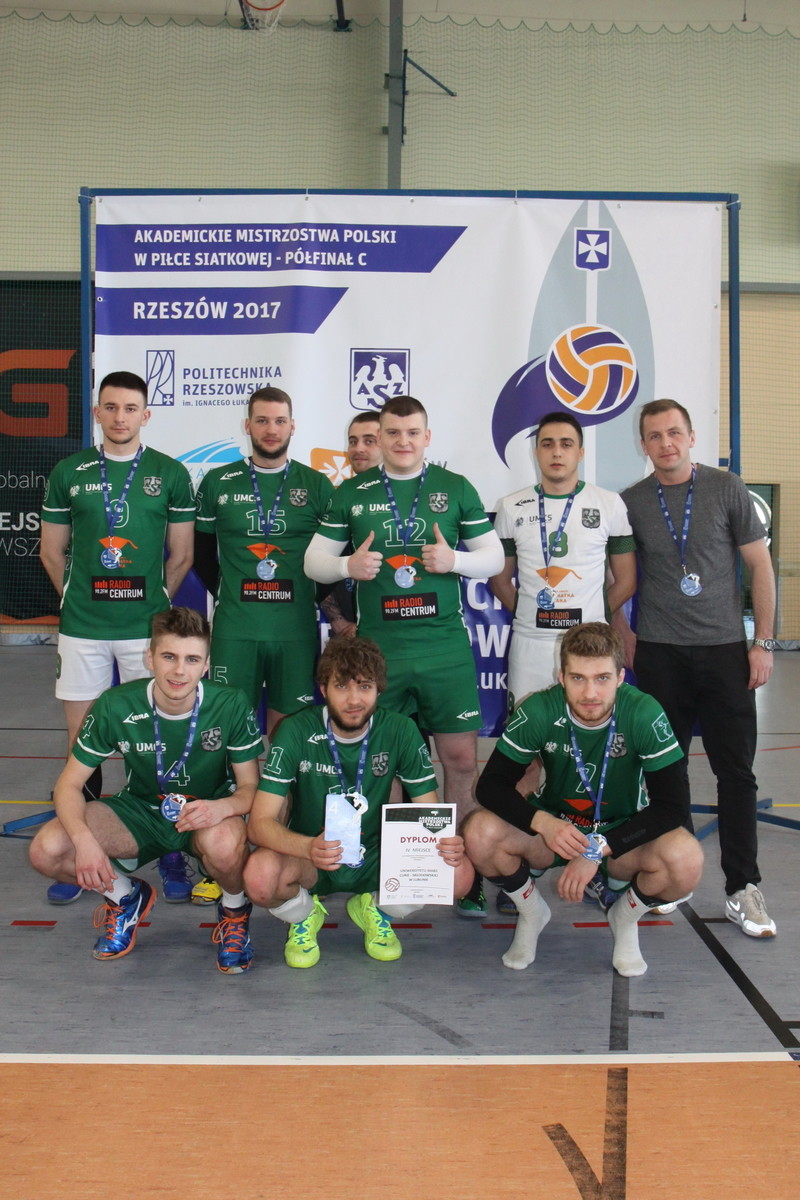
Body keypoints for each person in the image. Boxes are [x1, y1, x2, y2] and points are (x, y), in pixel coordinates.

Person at [303, 395, 504, 916]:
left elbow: (493, 557)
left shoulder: (454, 487)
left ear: (427, 437)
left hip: (443, 651)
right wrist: (347, 567)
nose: (402, 441)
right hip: (381, 655)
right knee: (384, 765)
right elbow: (313, 561)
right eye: (392, 433)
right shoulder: (353, 492)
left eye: (412, 432)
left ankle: (464, 873)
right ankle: (388, 873)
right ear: (380, 437)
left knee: (460, 761)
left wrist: (454, 560)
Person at [28, 607, 263, 973]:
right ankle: (125, 897)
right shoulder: (116, 704)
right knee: (48, 850)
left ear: (206, 665)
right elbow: (69, 785)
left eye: (191, 659)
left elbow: (250, 788)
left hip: (207, 813)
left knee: (225, 843)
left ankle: (234, 912)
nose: (179, 670)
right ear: (149, 658)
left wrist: (222, 808)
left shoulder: (229, 703)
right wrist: (84, 841)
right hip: (140, 811)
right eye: (169, 657)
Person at [620, 399, 777, 937]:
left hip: (725, 651)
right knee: (668, 771)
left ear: (690, 437)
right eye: (654, 436)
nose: (665, 443)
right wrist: (624, 634)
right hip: (660, 654)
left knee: (736, 773)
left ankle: (743, 887)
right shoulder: (632, 502)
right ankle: (674, 876)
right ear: (643, 444)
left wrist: (763, 642)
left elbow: (760, 566)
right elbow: (618, 575)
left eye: (674, 433)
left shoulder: (727, 488)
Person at [464, 623, 703, 977]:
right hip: (555, 830)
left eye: (602, 678)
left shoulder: (644, 713)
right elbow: (490, 787)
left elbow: (673, 807)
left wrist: (598, 848)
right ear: (561, 676)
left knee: (686, 860)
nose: (590, 692)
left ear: (620, 677)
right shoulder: (540, 710)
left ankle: (624, 918)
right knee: (479, 833)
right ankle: (532, 913)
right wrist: (543, 823)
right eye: (578, 678)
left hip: (621, 835)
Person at [39, 370, 196, 905]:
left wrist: (154, 608)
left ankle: (169, 847)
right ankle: (80, 851)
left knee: (156, 740)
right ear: (97, 412)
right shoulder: (70, 472)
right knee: (80, 741)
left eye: (131, 408)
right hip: (82, 629)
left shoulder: (169, 473)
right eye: (111, 407)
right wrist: (74, 599)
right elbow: (51, 552)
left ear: (145, 414)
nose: (120, 417)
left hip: (144, 633)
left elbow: (182, 556)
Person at [243, 636, 472, 967]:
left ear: (379, 690)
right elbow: (259, 824)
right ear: (323, 689)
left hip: (378, 855)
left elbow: (429, 816)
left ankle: (376, 909)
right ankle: (303, 914)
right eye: (342, 686)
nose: (354, 700)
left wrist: (446, 843)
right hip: (313, 854)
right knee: (259, 876)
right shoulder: (295, 730)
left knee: (459, 876)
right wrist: (308, 847)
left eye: (364, 686)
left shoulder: (401, 730)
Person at [194, 386, 333, 735]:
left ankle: (279, 779)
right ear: (247, 426)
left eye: (280, 421)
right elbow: (201, 554)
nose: (271, 429)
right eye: (262, 421)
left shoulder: (317, 485)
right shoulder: (217, 482)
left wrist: (307, 595)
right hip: (236, 629)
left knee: (291, 729)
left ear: (292, 426)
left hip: (295, 630)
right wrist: (230, 592)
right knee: (229, 726)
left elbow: (334, 557)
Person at [491, 409, 636, 706]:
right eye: (547, 444)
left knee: (588, 722)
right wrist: (529, 612)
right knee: (528, 727)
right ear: (536, 453)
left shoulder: (609, 504)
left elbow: (627, 581)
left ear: (580, 453)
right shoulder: (510, 507)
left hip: (591, 642)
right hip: (531, 643)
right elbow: (500, 581)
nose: (557, 452)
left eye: (566, 444)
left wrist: (593, 616)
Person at [321, 412, 382, 638]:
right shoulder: (338, 498)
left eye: (369, 441)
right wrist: (338, 620)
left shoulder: (411, 500)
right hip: (349, 633)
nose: (358, 448)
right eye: (353, 441)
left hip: (399, 628)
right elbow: (318, 564)